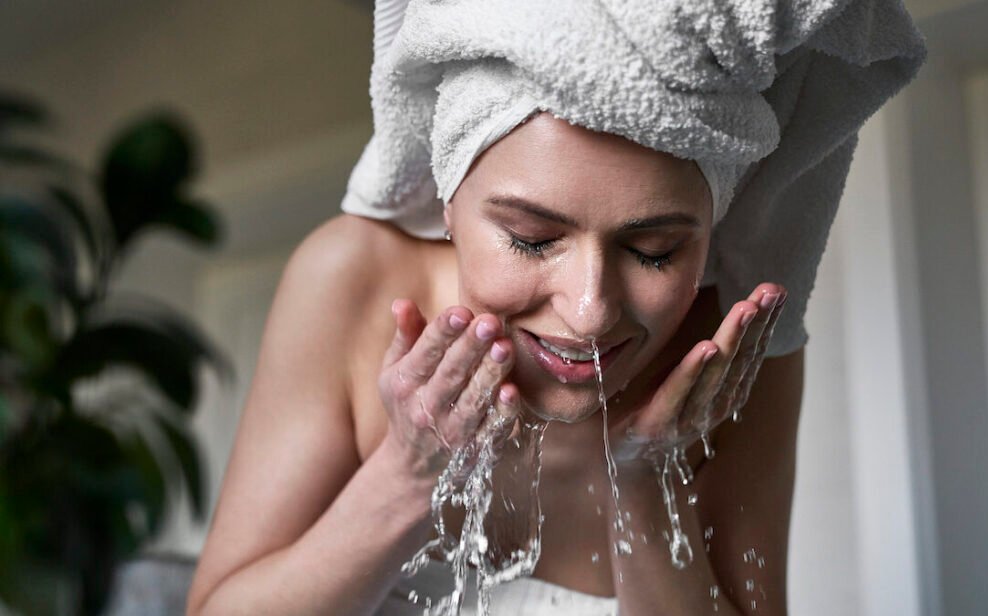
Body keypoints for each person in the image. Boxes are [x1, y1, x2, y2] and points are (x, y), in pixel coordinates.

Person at [187, 1, 926, 614]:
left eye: (655, 251)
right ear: (449, 198)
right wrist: (409, 474)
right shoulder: (352, 282)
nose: (590, 310)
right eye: (532, 239)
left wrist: (643, 481)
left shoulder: (727, 350)